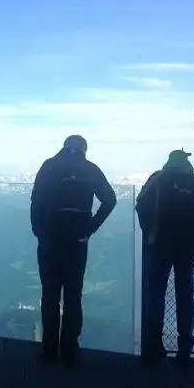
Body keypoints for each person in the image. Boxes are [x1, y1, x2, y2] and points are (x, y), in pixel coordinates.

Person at [30, 135, 117, 366]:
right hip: (77, 241)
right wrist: (90, 227)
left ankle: (49, 349)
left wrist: (39, 230)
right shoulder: (89, 169)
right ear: (84, 149)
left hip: (50, 239)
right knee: (73, 294)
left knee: (49, 294)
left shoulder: (49, 166)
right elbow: (110, 200)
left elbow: (35, 198)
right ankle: (69, 349)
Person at [135, 149, 194, 364]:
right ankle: (184, 347)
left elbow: (141, 205)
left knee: (156, 295)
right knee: (185, 295)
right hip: (186, 246)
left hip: (159, 245)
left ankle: (153, 344)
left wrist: (150, 232)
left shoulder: (157, 180)